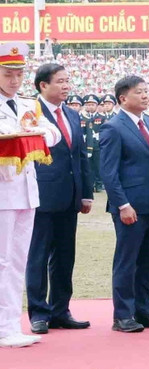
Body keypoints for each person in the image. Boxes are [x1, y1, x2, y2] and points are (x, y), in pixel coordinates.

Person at [99, 75, 149, 333]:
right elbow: (109, 173)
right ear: (123, 98)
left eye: (147, 91)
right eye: (139, 92)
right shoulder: (113, 127)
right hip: (130, 207)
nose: (146, 95)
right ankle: (122, 315)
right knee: (127, 261)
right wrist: (122, 205)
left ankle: (144, 309)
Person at [0, 43, 62, 348]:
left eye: (18, 74)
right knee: (1, 260)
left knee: (17, 260)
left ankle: (10, 324)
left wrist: (37, 130)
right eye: (8, 74)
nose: (14, 80)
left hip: (26, 191)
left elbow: (54, 134)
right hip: (2, 191)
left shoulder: (27, 104)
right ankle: (2, 327)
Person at [27, 63, 94, 335]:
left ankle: (60, 310)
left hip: (70, 197)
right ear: (43, 85)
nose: (67, 86)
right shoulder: (30, 113)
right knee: (39, 256)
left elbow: (80, 156)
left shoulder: (71, 114)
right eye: (61, 81)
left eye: (68, 81)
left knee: (65, 256)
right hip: (42, 195)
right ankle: (38, 313)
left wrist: (86, 192)